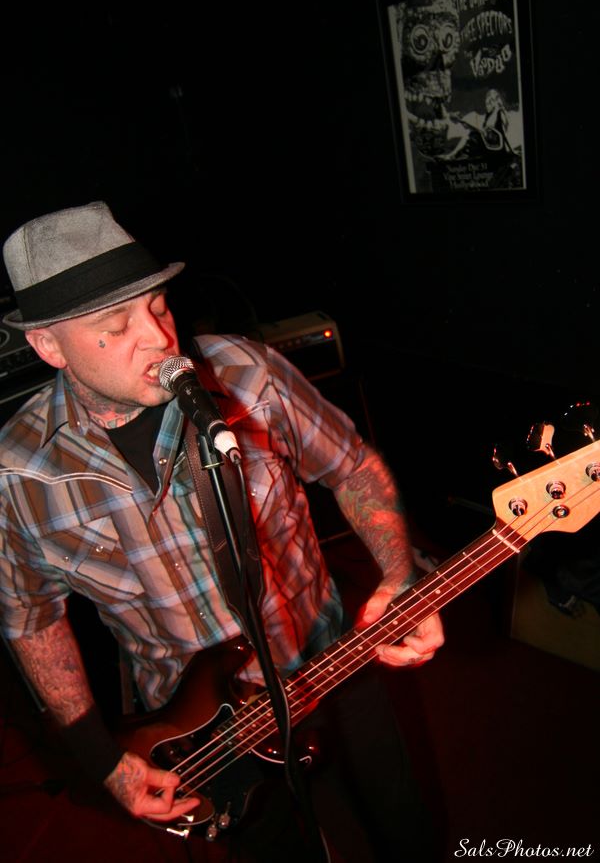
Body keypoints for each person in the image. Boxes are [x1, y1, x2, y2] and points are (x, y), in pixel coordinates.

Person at [0, 201, 444, 862]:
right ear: (48, 346)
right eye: (115, 326)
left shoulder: (245, 373)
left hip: (331, 664)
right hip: (202, 734)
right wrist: (101, 758)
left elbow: (352, 466)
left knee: (404, 830)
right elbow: (32, 618)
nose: (158, 338)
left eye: (157, 307)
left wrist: (401, 574)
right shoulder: (17, 472)